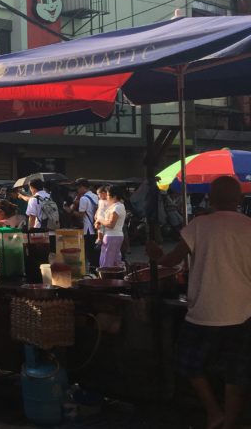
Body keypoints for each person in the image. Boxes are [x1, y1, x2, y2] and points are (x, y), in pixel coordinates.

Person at [147, 176, 251, 429]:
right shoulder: (249, 226)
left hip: (203, 312)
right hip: (242, 313)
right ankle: (228, 423)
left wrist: (156, 254)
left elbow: (171, 261)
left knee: (187, 363)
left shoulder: (199, 225)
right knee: (236, 374)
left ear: (211, 199)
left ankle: (214, 411)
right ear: (239, 199)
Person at [68, 179, 99, 270]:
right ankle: (96, 270)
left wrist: (71, 211)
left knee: (89, 253)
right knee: (95, 253)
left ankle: (93, 271)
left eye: (77, 188)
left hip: (88, 230)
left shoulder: (84, 198)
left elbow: (80, 216)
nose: (77, 190)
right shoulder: (95, 196)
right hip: (96, 228)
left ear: (81, 187)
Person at [97, 185, 126, 268]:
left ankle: (106, 279)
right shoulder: (115, 206)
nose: (107, 197)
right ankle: (115, 279)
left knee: (106, 262)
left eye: (108, 195)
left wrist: (100, 220)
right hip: (113, 236)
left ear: (115, 196)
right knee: (115, 261)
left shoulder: (117, 207)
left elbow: (111, 224)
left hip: (112, 236)